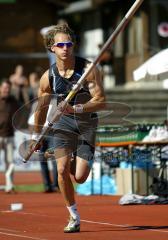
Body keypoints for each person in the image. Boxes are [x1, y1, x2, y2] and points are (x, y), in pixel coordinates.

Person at [29, 23, 106, 233]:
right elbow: (41, 109)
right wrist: (38, 136)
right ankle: (73, 216)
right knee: (61, 170)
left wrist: (76, 107)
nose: (65, 48)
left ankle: (71, 157)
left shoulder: (89, 69)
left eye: (68, 44)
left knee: (79, 177)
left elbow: (101, 101)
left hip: (86, 122)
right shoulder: (48, 77)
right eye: (60, 44)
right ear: (52, 48)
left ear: (73, 46)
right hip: (63, 123)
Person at [0, 79, 19, 193]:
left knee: (10, 162)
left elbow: (20, 113)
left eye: (8, 88)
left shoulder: (13, 101)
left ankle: (9, 186)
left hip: (9, 135)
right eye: (5, 87)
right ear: (0, 88)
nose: (6, 90)